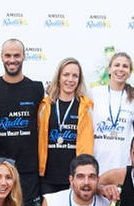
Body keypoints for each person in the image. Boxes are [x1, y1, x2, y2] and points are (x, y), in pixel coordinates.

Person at [0, 38, 45, 206]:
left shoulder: (36, 88)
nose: (12, 60)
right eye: (8, 55)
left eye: (17, 55)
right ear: (2, 57)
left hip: (28, 169)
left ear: (24, 57)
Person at [38, 57, 94, 194]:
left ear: (79, 80)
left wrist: (81, 174)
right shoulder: (46, 106)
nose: (70, 79)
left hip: (74, 177)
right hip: (47, 177)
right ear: (58, 77)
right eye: (66, 75)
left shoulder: (85, 107)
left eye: (75, 76)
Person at [89, 51, 134, 172]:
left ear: (130, 72)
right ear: (109, 69)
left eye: (125, 66)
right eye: (117, 65)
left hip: (123, 164)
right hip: (96, 163)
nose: (120, 69)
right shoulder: (94, 93)